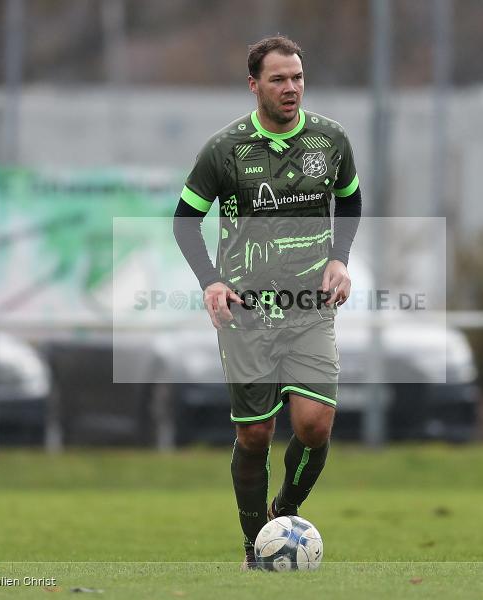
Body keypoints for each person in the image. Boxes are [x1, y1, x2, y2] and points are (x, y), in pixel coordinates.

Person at [173, 35, 362, 570]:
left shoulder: (330, 139)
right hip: (246, 312)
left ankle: (284, 517)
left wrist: (339, 258)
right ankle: (253, 545)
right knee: (255, 434)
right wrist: (211, 281)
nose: (291, 87)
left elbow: (350, 200)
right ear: (254, 85)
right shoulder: (224, 150)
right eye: (278, 79)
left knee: (315, 425)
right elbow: (185, 222)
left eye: (297, 77)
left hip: (310, 306)